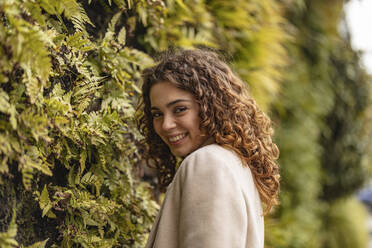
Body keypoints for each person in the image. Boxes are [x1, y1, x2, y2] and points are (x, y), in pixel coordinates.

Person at [137, 49, 280, 248]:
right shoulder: (233, 163)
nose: (166, 124)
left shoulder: (208, 163)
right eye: (157, 114)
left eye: (179, 109)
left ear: (209, 107)